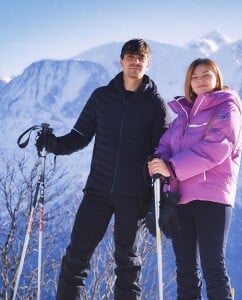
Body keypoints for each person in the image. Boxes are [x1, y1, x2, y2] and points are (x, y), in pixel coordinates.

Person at [36, 39, 166, 300]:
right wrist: (53, 145)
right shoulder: (101, 97)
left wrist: (160, 187)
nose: (135, 61)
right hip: (98, 190)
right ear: (121, 61)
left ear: (148, 64)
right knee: (76, 256)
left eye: (141, 58)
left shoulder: (155, 104)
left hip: (133, 195)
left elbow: (162, 148)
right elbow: (79, 136)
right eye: (130, 56)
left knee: (127, 262)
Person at [148, 58, 242, 300]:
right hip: (181, 200)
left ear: (216, 77)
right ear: (189, 82)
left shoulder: (227, 109)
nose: (200, 81)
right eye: (195, 77)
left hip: (212, 196)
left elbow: (215, 148)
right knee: (186, 271)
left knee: (213, 267)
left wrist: (171, 168)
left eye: (206, 75)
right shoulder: (183, 117)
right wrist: (158, 162)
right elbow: (165, 144)